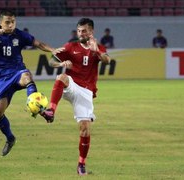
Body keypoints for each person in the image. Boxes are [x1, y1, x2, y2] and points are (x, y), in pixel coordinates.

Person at [0, 10, 56, 156]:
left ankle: (38, 109)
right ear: (0, 22)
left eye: (13, 21)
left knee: (27, 77)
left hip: (17, 72)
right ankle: (10, 138)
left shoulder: (20, 35)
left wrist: (53, 50)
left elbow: (38, 44)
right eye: (7, 22)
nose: (10, 24)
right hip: (1, 78)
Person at [40, 18, 111, 175]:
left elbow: (107, 60)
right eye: (79, 30)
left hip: (86, 92)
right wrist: (61, 64)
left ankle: (81, 164)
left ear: (91, 32)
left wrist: (96, 51)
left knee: (85, 130)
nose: (81, 33)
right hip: (71, 85)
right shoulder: (70, 46)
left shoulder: (98, 47)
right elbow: (52, 61)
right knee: (61, 77)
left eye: (84, 31)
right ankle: (51, 111)